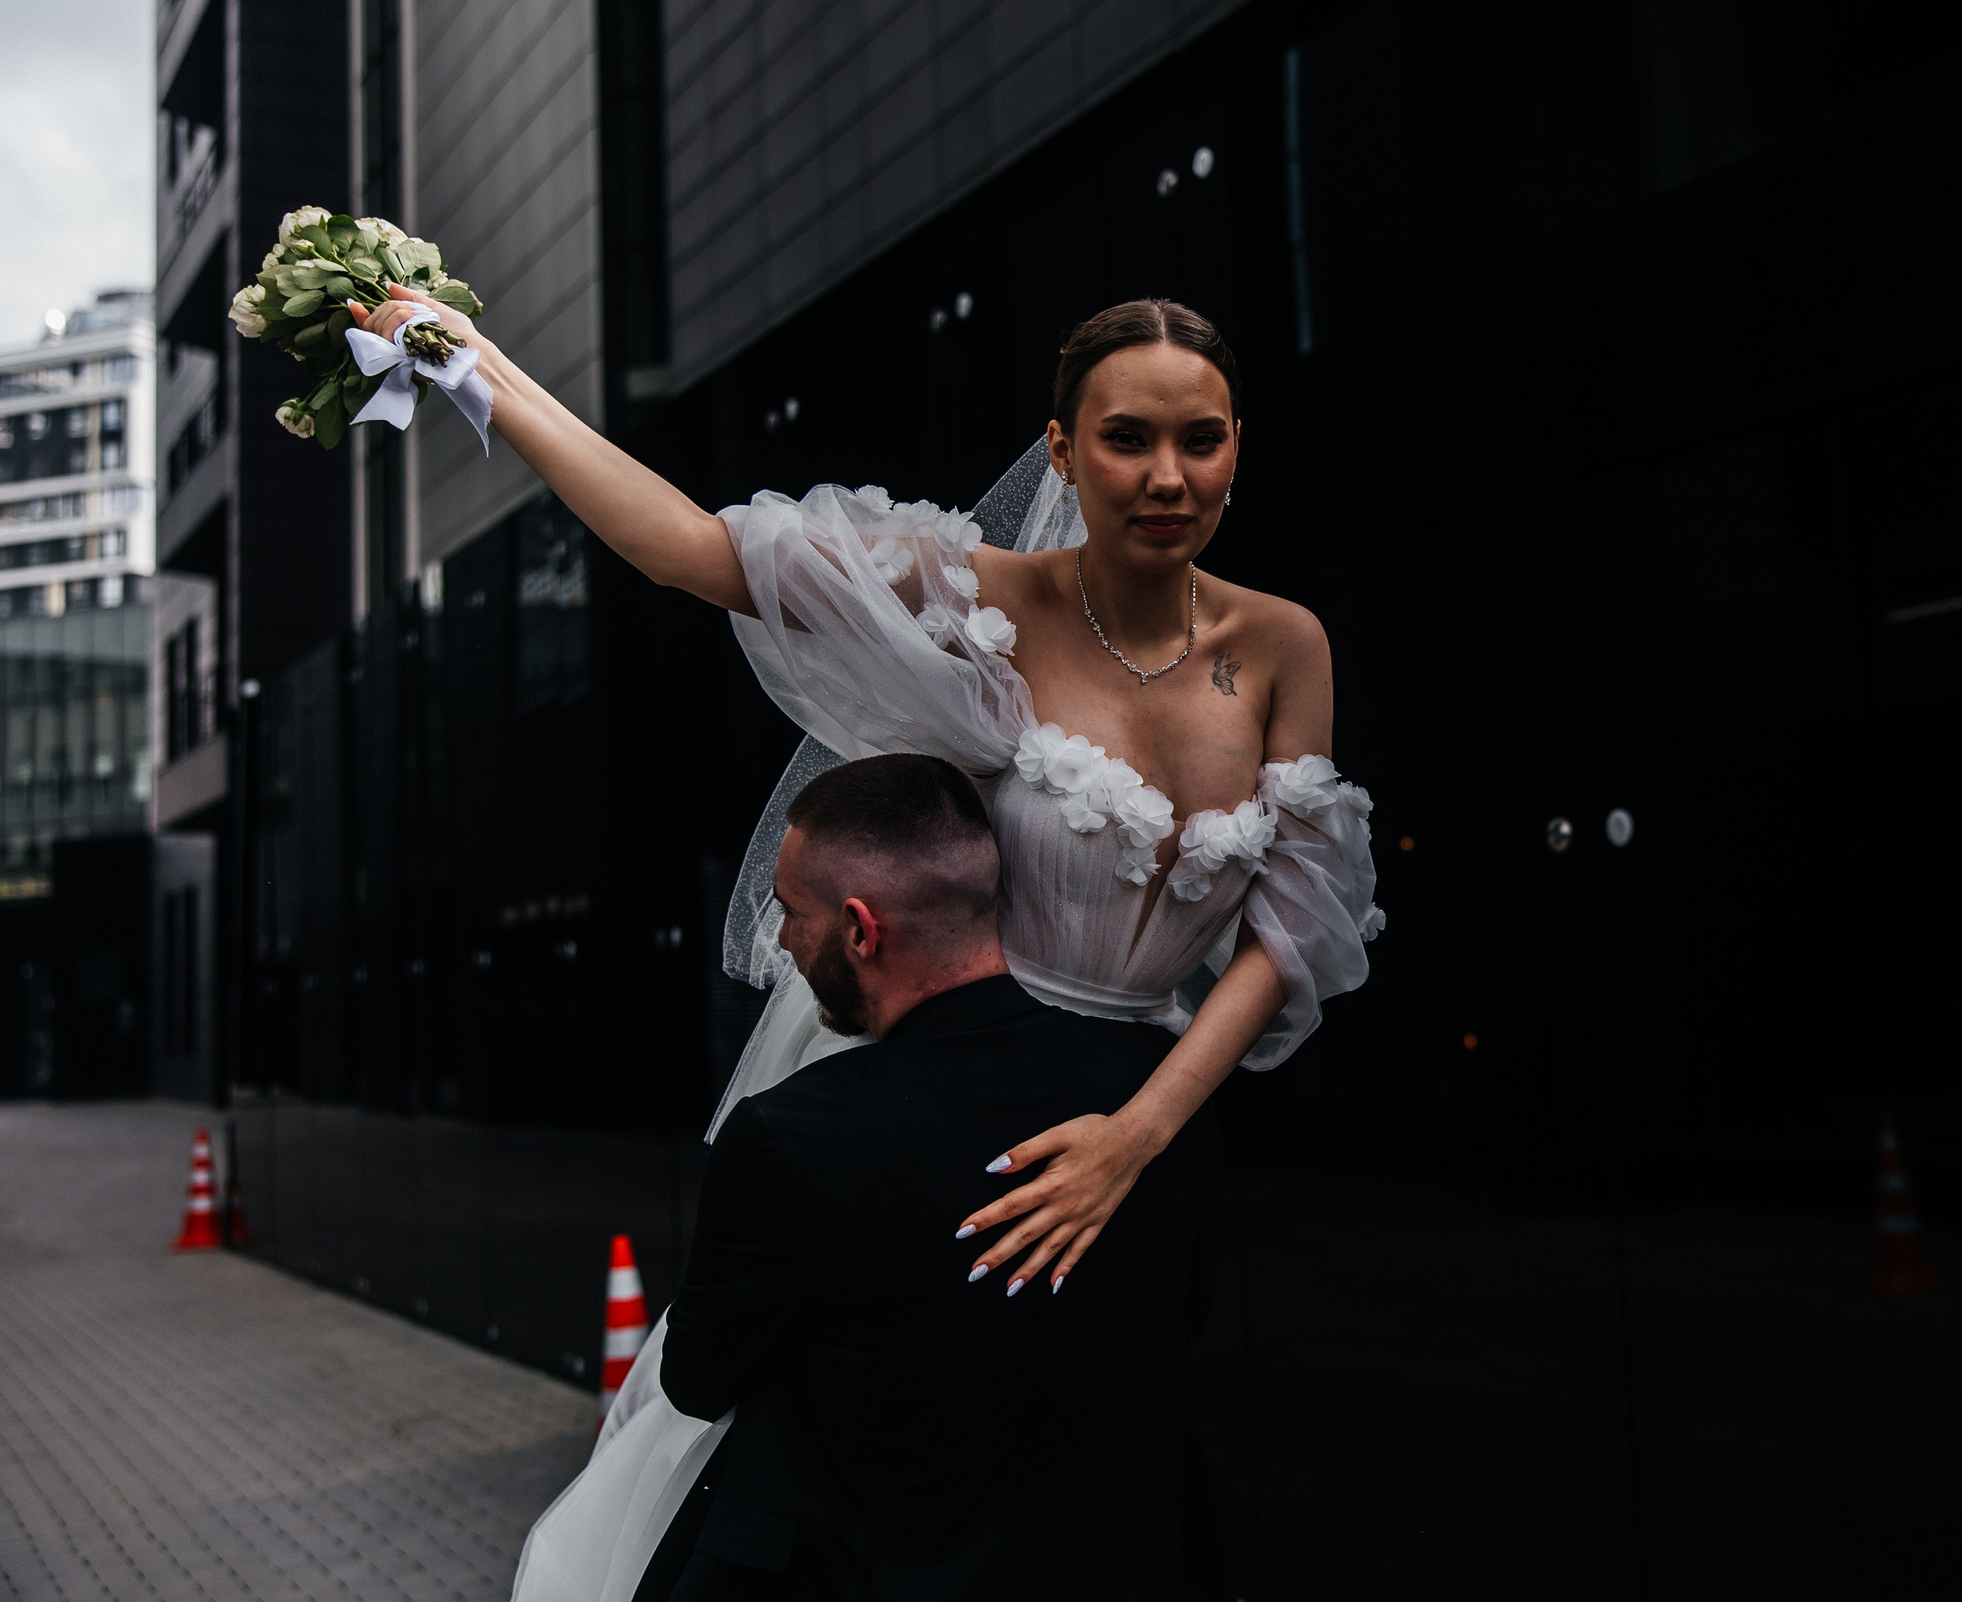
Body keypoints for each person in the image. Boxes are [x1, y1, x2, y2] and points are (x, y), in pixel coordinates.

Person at [344, 285, 1382, 1599]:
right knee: (895, 1462)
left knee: (1104, 1485)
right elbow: (688, 549)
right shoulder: (973, 592)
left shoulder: (1286, 642)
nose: (1169, 477)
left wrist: (1142, 1131)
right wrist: (480, 361)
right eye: (1128, 438)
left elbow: (1287, 932)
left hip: (1146, 1135)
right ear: (1060, 449)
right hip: (945, 1115)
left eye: (1205, 438)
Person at [641, 751, 1222, 1600]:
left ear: (858, 930)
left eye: (790, 912)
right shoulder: (1156, 1096)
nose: (783, 940)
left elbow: (697, 1380)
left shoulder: (788, 1134)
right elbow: (1179, 1313)